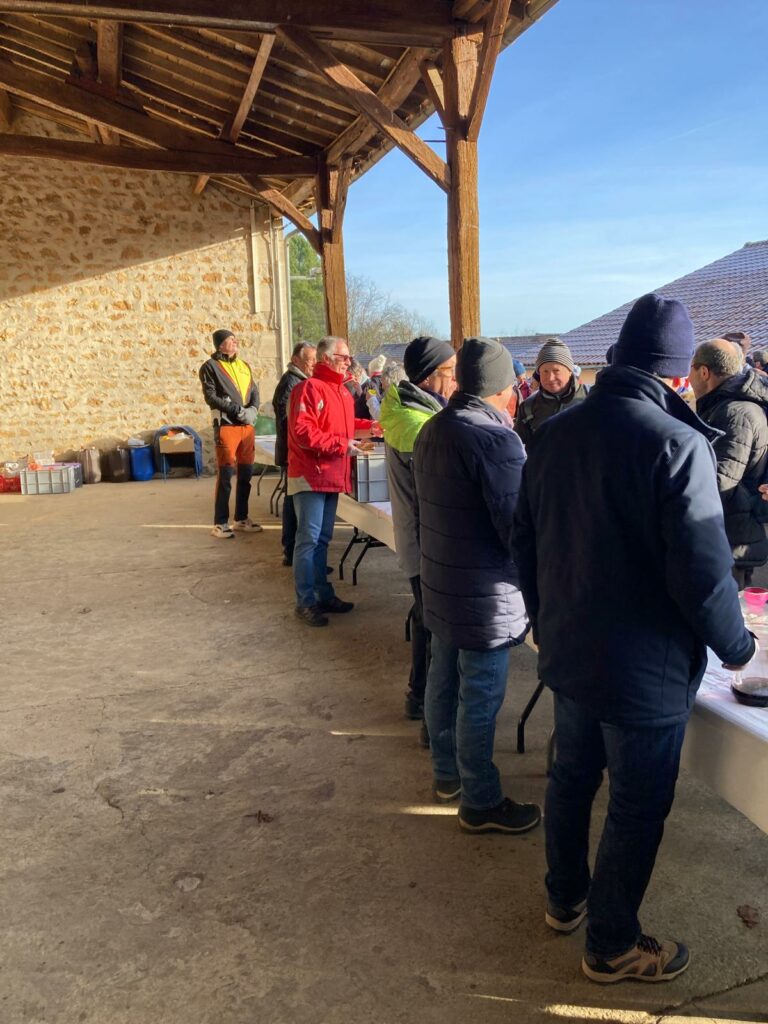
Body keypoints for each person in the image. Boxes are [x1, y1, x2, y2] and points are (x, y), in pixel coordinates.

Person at [513, 294, 755, 984]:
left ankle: (565, 899)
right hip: (643, 671)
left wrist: (544, 618)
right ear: (678, 375)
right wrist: (738, 648)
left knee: (571, 777)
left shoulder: (555, 432)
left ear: (615, 359)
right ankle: (612, 943)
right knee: (637, 803)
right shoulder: (678, 443)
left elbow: (523, 539)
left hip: (570, 649)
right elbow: (703, 575)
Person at [413, 337, 542, 836]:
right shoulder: (495, 439)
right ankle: (481, 800)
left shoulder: (434, 428)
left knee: (443, 680)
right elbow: (517, 528)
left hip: (443, 580)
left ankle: (447, 776)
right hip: (486, 594)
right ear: (503, 389)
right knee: (480, 698)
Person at [379, 336, 456, 731]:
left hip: (419, 538)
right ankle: (429, 714)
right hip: (426, 541)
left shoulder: (413, 412)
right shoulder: (418, 425)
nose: (456, 380)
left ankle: (418, 696)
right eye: (450, 372)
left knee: (425, 619)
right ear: (429, 377)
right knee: (434, 625)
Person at [287, 336, 374, 626]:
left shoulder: (342, 392)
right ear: (326, 358)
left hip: (331, 474)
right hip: (311, 475)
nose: (348, 362)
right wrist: (342, 445)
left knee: (322, 539)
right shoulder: (308, 388)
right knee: (308, 540)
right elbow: (303, 432)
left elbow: (346, 427)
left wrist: (373, 427)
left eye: (348, 357)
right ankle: (305, 601)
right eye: (343, 357)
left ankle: (322, 594)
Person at [689, 339, 768, 589]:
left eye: (691, 368)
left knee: (730, 607)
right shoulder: (726, 406)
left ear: (704, 372)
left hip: (730, 538)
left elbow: (719, 481)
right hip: (728, 534)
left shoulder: (734, 413)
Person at [199, 328, 263, 539]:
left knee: (246, 474)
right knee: (225, 475)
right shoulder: (210, 367)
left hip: (247, 427)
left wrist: (253, 409)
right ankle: (220, 523)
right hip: (226, 426)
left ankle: (241, 519)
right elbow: (211, 397)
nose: (236, 342)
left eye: (235, 339)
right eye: (231, 340)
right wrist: (237, 411)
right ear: (220, 345)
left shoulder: (244, 365)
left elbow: (254, 391)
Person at [272, 342, 317, 566]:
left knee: (293, 501)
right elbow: (288, 421)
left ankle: (292, 551)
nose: (314, 364)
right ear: (296, 360)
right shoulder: (291, 383)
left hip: (292, 451)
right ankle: (291, 551)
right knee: (293, 504)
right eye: (310, 360)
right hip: (293, 452)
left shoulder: (298, 381)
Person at [514, 337, 588, 446]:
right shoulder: (528, 407)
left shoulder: (592, 398)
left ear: (569, 371)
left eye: (556, 371)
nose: (550, 378)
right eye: (545, 371)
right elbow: (518, 448)